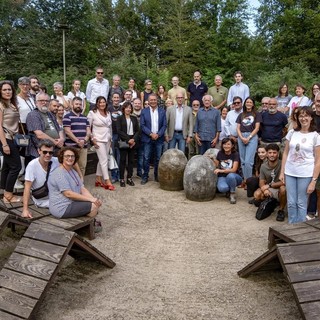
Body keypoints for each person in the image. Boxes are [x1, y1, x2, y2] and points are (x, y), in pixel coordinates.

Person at [279, 107, 320, 224]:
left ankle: (300, 227)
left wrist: (313, 180)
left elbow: (318, 160)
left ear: (311, 118)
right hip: (290, 172)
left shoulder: (315, 136)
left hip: (305, 173)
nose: (303, 118)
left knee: (301, 203)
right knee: (291, 202)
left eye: (306, 115)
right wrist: (282, 172)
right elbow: (286, 153)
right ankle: (291, 226)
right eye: (301, 116)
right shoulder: (292, 133)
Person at [48, 147, 102, 219]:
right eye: (67, 156)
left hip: (72, 203)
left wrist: (93, 199)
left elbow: (82, 188)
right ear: (62, 157)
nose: (70, 158)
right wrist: (91, 200)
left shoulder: (72, 171)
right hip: (61, 207)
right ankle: (92, 223)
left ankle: (88, 223)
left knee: (95, 203)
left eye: (72, 156)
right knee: (93, 206)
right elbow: (68, 194)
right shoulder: (59, 173)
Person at [22, 140, 59, 218]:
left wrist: (80, 176)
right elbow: (27, 188)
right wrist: (25, 209)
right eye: (45, 152)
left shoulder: (56, 161)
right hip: (42, 200)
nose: (48, 155)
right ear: (39, 151)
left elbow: (72, 159)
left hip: (56, 196)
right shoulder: (32, 165)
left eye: (50, 152)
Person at [0, 80, 22, 203]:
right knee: (16, 166)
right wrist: (4, 144)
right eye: (4, 90)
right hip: (5, 138)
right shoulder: (1, 105)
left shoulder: (11, 104)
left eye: (9, 89)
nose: (7, 92)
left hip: (13, 138)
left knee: (7, 167)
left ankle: (4, 192)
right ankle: (9, 195)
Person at [253, 144, 287, 221]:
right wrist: (264, 189)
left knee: (283, 189)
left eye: (274, 153)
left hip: (279, 188)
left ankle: (281, 210)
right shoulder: (263, 166)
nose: (272, 155)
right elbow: (261, 181)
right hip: (270, 189)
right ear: (267, 154)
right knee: (257, 195)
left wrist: (269, 186)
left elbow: (285, 182)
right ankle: (272, 202)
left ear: (278, 154)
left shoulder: (283, 164)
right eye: (270, 153)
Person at [87, 96, 115, 190]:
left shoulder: (108, 113)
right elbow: (88, 127)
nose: (102, 104)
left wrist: (111, 139)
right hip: (98, 139)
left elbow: (110, 127)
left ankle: (98, 179)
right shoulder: (92, 113)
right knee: (104, 160)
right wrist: (92, 139)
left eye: (103, 102)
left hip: (107, 139)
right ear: (97, 103)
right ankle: (107, 180)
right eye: (100, 102)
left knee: (102, 159)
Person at [26, 92, 64, 158]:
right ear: (36, 102)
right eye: (41, 100)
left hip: (55, 149)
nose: (44, 102)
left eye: (47, 101)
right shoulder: (33, 115)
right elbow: (39, 134)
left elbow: (59, 129)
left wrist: (61, 139)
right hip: (41, 150)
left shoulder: (50, 114)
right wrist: (55, 142)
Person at [140, 93, 167, 184]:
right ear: (148, 101)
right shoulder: (144, 111)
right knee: (146, 158)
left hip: (159, 139)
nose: (153, 101)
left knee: (158, 158)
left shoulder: (162, 111)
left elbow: (164, 125)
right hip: (148, 138)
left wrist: (158, 134)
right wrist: (151, 134)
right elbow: (142, 125)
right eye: (151, 100)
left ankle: (157, 175)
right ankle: (145, 176)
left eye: (154, 100)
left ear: (157, 100)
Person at [236, 97, 262, 186]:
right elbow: (238, 128)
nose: (249, 103)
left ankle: (249, 182)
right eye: (247, 102)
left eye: (250, 102)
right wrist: (241, 137)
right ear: (245, 103)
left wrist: (249, 137)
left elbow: (257, 128)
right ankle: (245, 180)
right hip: (241, 137)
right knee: (243, 161)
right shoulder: (241, 115)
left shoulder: (256, 114)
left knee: (248, 162)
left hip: (252, 136)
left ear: (253, 104)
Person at [63, 97, 91, 177]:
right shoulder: (67, 117)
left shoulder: (85, 118)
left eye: (80, 104)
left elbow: (88, 132)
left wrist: (84, 141)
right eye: (76, 104)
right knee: (70, 166)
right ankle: (71, 185)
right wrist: (78, 141)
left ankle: (80, 184)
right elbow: (67, 131)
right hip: (71, 147)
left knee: (82, 166)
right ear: (72, 105)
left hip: (83, 146)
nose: (78, 106)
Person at [117, 101, 140, 187]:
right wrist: (128, 140)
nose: (128, 109)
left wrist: (133, 139)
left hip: (133, 141)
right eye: (127, 107)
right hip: (124, 141)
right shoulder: (120, 118)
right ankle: (122, 178)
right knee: (122, 160)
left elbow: (138, 130)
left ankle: (129, 178)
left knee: (131, 161)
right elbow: (119, 130)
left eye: (130, 108)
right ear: (123, 108)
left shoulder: (134, 118)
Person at [214, 137, 242, 204]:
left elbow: (234, 169)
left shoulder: (235, 154)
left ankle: (232, 193)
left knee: (230, 176)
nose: (226, 146)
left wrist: (221, 171)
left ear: (232, 145)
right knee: (222, 188)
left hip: (235, 176)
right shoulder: (220, 153)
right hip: (223, 176)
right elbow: (216, 164)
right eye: (224, 144)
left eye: (228, 144)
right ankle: (228, 190)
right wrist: (211, 159)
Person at [108, 92, 122, 183]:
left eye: (118, 97)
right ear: (112, 98)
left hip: (121, 135)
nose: (116, 99)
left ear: (120, 99)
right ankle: (113, 176)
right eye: (115, 97)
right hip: (112, 134)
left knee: (120, 156)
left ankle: (120, 175)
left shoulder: (122, 108)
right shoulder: (108, 108)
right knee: (112, 156)